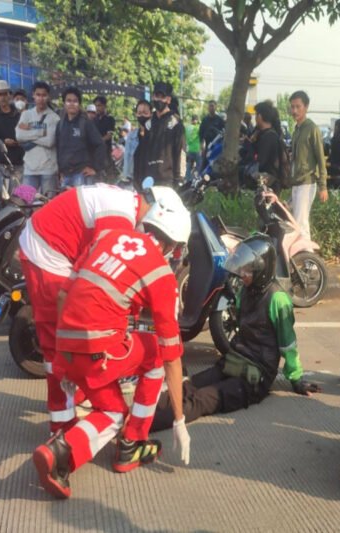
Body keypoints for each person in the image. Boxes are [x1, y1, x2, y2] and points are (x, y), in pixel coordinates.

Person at [32, 189, 192, 499]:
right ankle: (130, 444)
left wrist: (64, 359)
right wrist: (179, 419)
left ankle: (58, 453)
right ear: (173, 244)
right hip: (99, 350)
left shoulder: (106, 239)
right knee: (156, 356)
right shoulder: (161, 274)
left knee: (111, 408)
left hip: (67, 345)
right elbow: (172, 355)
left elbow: (65, 295)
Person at [18, 183, 158, 434]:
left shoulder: (126, 203)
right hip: (48, 254)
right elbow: (105, 276)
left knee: (70, 337)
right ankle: (61, 424)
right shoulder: (119, 218)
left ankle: (76, 394)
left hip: (53, 246)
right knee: (57, 343)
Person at [151, 235, 320, 433]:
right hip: (234, 361)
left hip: (256, 377)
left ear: (262, 270)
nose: (244, 275)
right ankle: (141, 410)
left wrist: (296, 378)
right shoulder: (246, 292)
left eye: (249, 271)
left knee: (201, 400)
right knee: (189, 385)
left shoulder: (278, 299)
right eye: (243, 270)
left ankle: (142, 425)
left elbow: (288, 344)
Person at [289, 90, 329, 238]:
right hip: (296, 183)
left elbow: (320, 158)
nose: (294, 110)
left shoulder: (312, 129)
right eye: (292, 107)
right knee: (296, 224)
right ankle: (304, 259)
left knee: (301, 226)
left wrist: (323, 186)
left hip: (307, 183)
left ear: (306, 107)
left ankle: (308, 259)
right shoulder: (296, 130)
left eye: (298, 106)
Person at [134, 81, 185, 189]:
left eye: (163, 97)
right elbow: (142, 154)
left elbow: (180, 152)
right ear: (153, 97)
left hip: (167, 181)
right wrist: (138, 179)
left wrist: (178, 180)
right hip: (148, 181)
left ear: (168, 100)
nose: (159, 100)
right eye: (157, 96)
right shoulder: (148, 124)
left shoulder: (175, 123)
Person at [56, 86, 106, 188]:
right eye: (68, 101)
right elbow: (58, 148)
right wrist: (60, 170)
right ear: (64, 103)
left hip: (81, 175)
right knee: (67, 204)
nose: (72, 104)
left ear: (79, 104)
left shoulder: (86, 123)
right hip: (65, 175)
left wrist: (95, 168)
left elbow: (100, 145)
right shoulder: (60, 124)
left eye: (75, 101)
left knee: (81, 204)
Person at [16, 80, 60, 196]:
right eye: (38, 95)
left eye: (44, 95)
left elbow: (50, 141)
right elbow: (19, 136)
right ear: (33, 95)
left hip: (48, 169)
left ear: (48, 96)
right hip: (29, 168)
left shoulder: (54, 118)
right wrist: (41, 133)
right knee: (24, 202)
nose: (41, 98)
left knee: (48, 205)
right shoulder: (26, 115)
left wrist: (29, 135)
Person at [0, 79, 24, 181]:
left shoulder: (19, 114)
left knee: (23, 195)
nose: (2, 98)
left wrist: (20, 141)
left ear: (10, 95)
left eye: (5, 94)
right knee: (2, 195)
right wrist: (3, 142)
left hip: (20, 163)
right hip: (1, 164)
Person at [253, 100, 284, 190]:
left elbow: (261, 162)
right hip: (269, 182)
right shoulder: (269, 134)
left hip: (269, 184)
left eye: (256, 115)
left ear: (260, 116)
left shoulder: (268, 137)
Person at [122, 99, 152, 181]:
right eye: (139, 113)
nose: (142, 115)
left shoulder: (156, 135)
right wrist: (126, 178)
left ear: (151, 114)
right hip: (135, 179)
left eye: (145, 113)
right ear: (136, 114)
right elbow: (127, 159)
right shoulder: (131, 136)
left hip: (152, 179)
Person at [93, 95, 116, 177]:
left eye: (99, 105)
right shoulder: (93, 119)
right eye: (95, 106)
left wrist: (97, 141)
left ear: (104, 106)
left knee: (107, 178)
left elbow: (109, 135)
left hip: (105, 153)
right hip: (94, 154)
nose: (97, 108)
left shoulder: (110, 119)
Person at [185, 114, 201, 179]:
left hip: (189, 149)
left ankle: (188, 179)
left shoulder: (187, 127)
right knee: (198, 165)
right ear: (196, 120)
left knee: (188, 166)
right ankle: (196, 178)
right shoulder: (198, 127)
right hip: (197, 149)